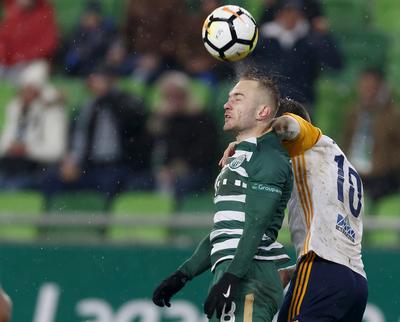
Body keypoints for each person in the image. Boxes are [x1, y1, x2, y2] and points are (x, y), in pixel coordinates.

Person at [152, 71, 293, 322]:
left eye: (238, 98)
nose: (227, 104)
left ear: (262, 112)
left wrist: (232, 277)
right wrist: (183, 274)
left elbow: (256, 225)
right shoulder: (237, 159)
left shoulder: (269, 158)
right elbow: (225, 229)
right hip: (232, 272)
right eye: (228, 98)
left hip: (251, 275)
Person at [221, 98, 368, 321]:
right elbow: (334, 247)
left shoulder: (305, 138)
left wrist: (253, 140)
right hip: (354, 283)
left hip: (321, 273)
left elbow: (287, 125)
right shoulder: (339, 164)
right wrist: (291, 273)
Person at [41, 66, 152, 200]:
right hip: (87, 165)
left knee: (109, 184)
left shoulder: (126, 100)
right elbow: (77, 137)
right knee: (51, 179)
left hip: (116, 165)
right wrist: (72, 161)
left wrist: (108, 94)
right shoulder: (86, 107)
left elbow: (135, 119)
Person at [248, 0, 342, 114]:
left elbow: (335, 63)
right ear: (278, 14)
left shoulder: (311, 40)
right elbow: (245, 57)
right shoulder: (264, 38)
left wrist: (324, 35)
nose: (290, 17)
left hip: (301, 104)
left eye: (295, 13)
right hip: (269, 104)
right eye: (286, 12)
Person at [146, 71, 218, 200]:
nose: (173, 100)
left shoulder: (201, 118)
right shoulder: (163, 118)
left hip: (196, 170)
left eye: (178, 95)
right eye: (169, 96)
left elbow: (205, 151)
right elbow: (151, 146)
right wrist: (158, 118)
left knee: (179, 187)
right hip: (166, 171)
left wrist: (180, 166)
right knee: (139, 183)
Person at [0, 60, 67, 190]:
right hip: (11, 164)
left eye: (30, 89)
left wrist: (27, 149)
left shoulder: (53, 111)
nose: (26, 94)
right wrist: (10, 147)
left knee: (14, 186)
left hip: (37, 167)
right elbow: (5, 141)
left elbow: (56, 150)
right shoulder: (16, 108)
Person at [342, 68, 400, 203]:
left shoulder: (392, 114)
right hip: (354, 172)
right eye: (364, 86)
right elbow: (346, 141)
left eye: (371, 87)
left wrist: (388, 164)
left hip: (382, 175)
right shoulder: (353, 113)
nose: (367, 91)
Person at [0, 0, 59, 81]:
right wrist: (4, 55)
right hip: (9, 63)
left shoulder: (44, 13)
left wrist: (24, 56)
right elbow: (3, 38)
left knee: (37, 70)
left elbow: (49, 44)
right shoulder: (13, 11)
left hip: (30, 63)